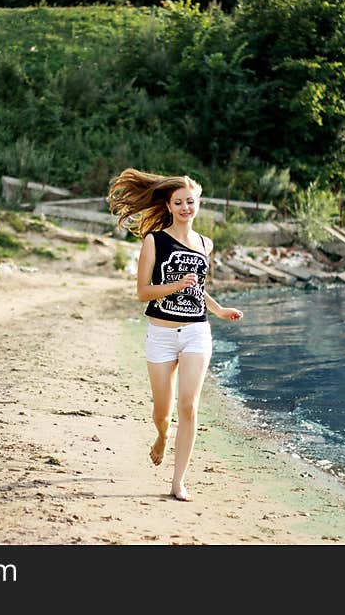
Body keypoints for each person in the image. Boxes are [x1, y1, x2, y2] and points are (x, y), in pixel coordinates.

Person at [108, 168, 243, 502]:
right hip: (162, 333)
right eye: (179, 202)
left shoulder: (205, 244)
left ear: (198, 204)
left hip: (196, 332)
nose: (185, 207)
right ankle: (161, 436)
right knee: (162, 411)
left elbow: (197, 290)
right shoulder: (154, 241)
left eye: (190, 202)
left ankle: (178, 482)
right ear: (169, 206)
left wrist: (218, 309)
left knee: (189, 405)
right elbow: (142, 292)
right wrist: (174, 285)